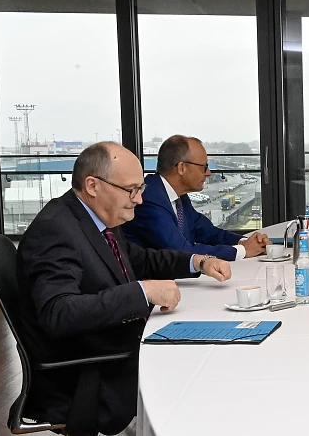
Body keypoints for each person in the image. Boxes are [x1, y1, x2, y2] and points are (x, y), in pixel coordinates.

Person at [16, 142, 232, 435]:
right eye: (131, 190)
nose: (139, 200)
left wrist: (198, 261)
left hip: (119, 348)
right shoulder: (54, 229)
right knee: (208, 385)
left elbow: (141, 258)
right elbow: (59, 312)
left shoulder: (98, 217)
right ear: (93, 185)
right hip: (94, 376)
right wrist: (143, 292)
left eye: (140, 189)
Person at [123, 135, 270, 261]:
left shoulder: (180, 197)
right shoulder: (149, 199)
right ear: (181, 168)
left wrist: (246, 242)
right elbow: (181, 252)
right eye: (204, 167)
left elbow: (209, 233)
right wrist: (243, 251)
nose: (208, 173)